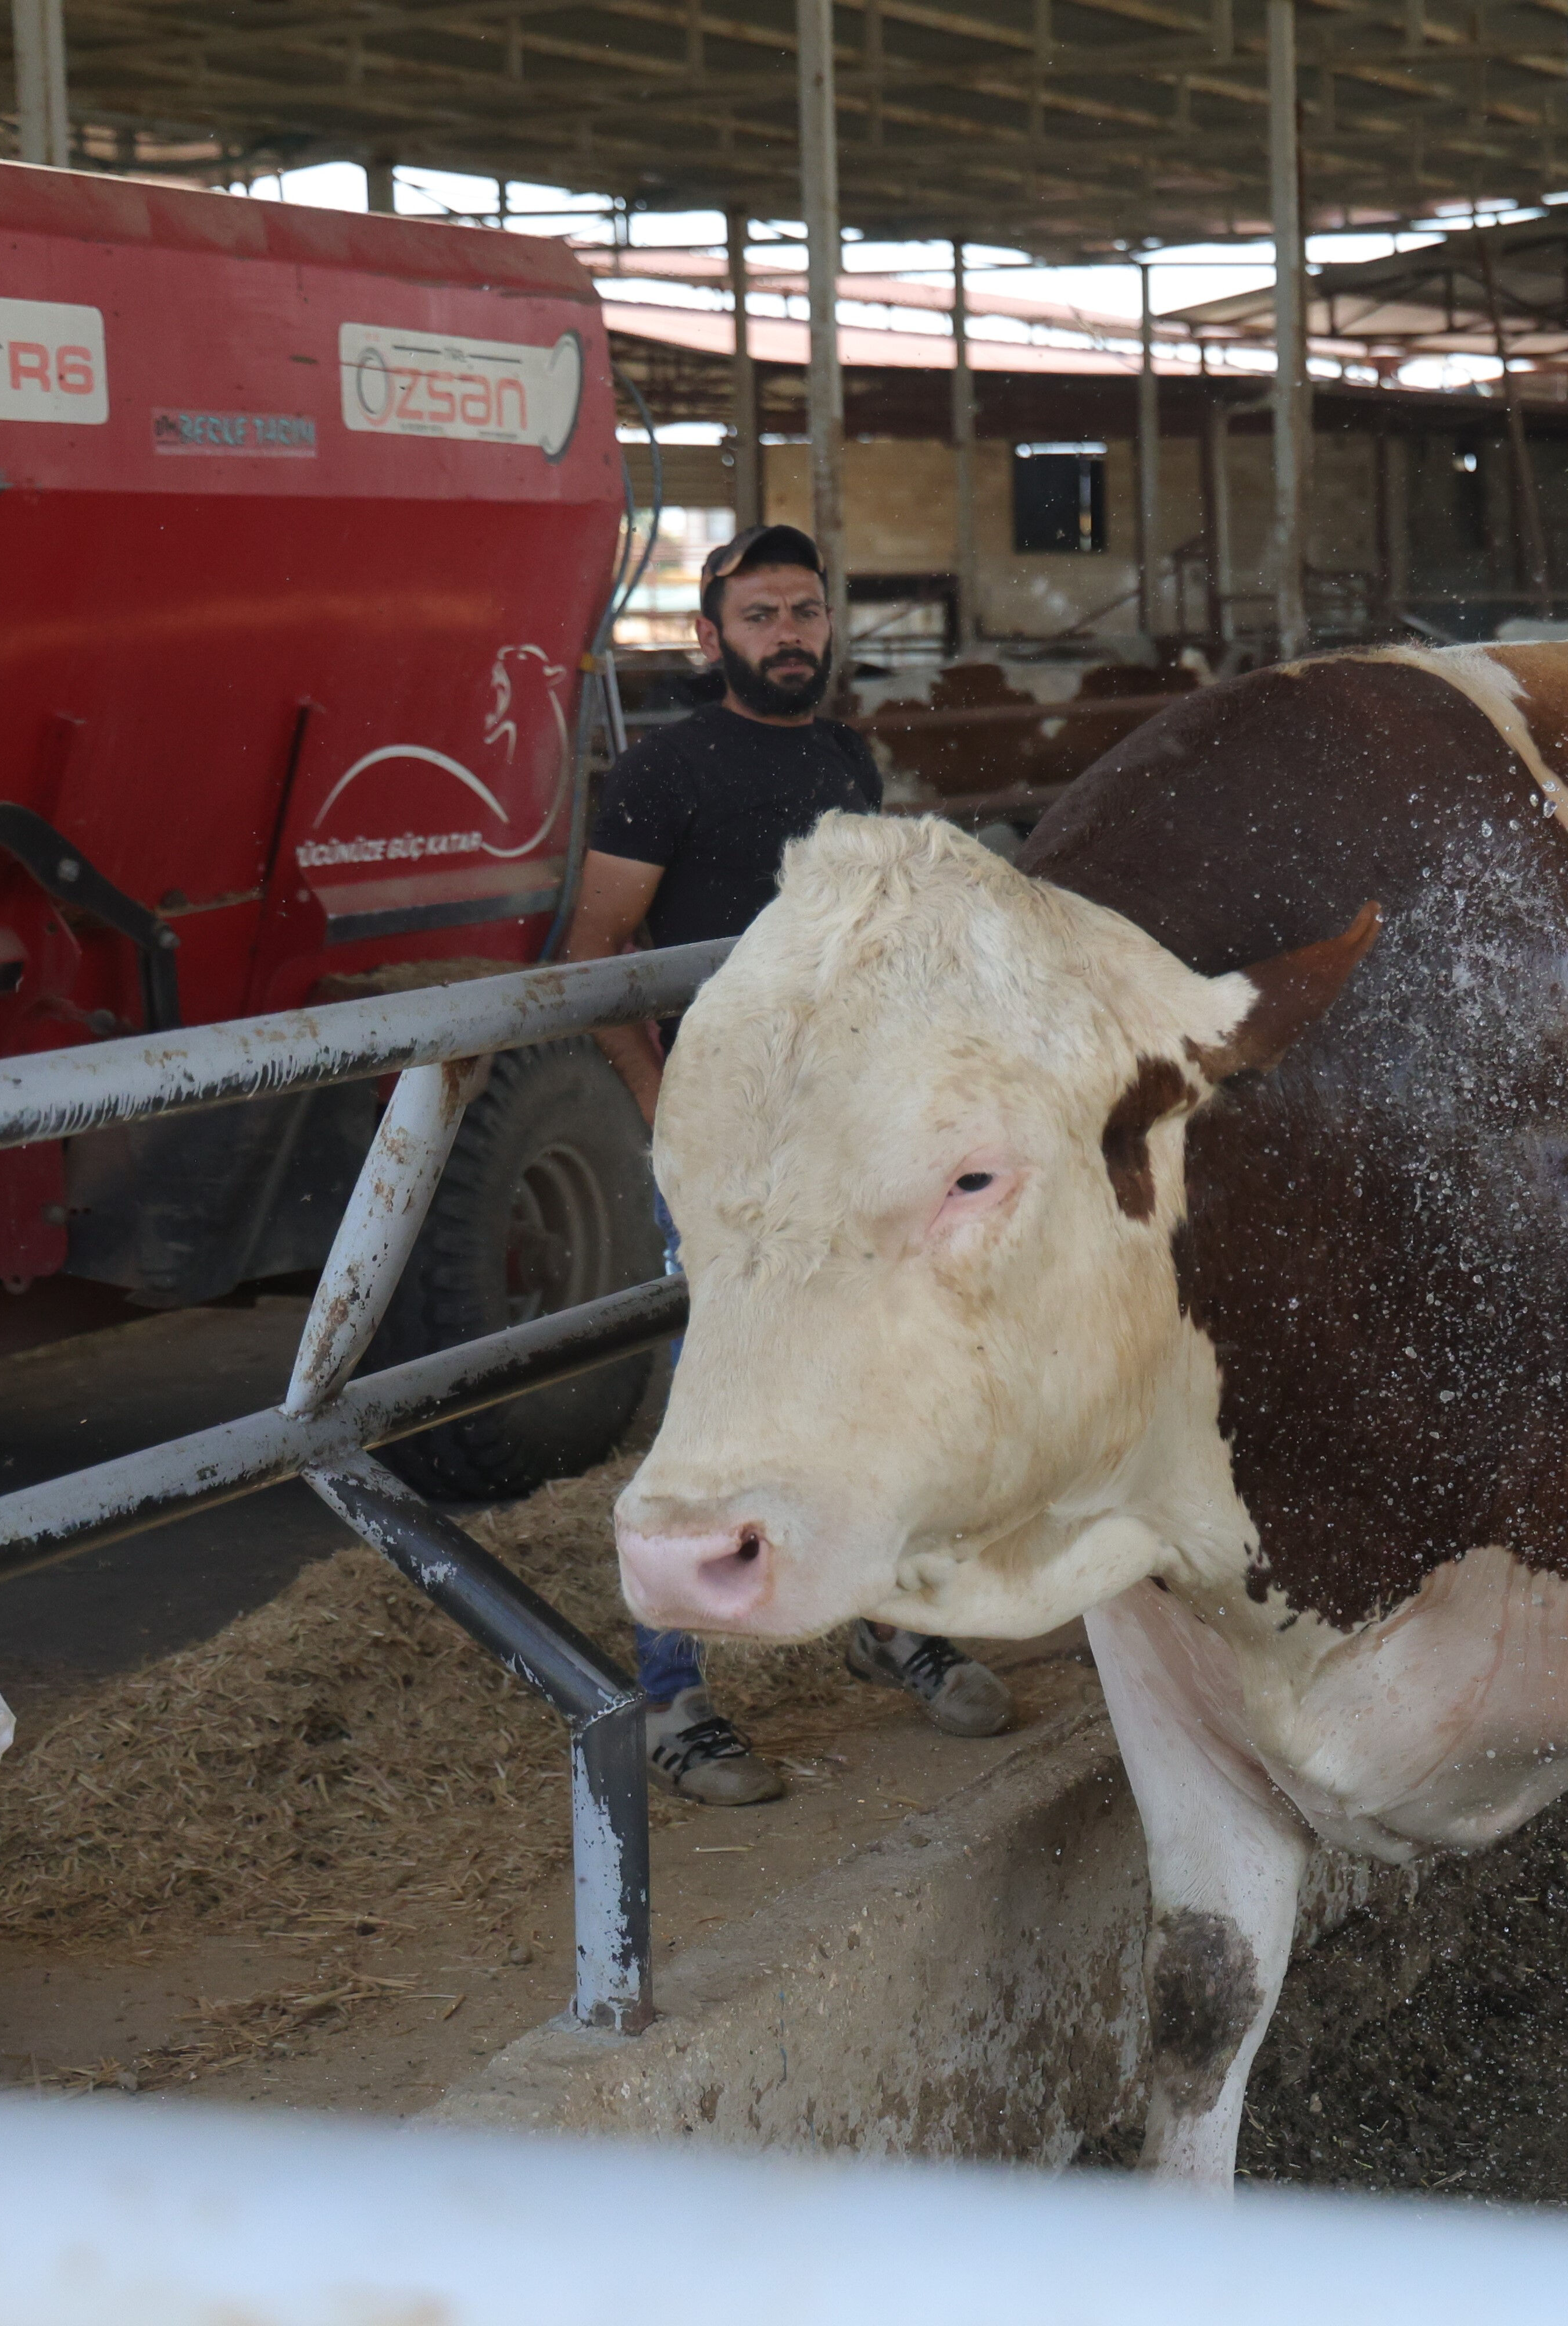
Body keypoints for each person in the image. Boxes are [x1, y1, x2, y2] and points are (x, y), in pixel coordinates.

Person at [562, 523, 1012, 1806]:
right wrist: (670, 1114)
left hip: (846, 1143)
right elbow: (605, 947)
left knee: (876, 1373)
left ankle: (888, 1619)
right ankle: (671, 1692)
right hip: (723, 1152)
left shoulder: (843, 761)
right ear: (712, 638)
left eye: (805, 611)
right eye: (761, 615)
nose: (789, 636)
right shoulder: (659, 772)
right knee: (706, 1397)